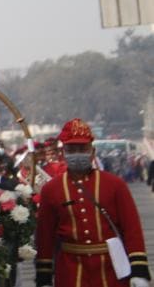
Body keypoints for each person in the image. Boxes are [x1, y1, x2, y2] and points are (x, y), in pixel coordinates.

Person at [35, 118, 150, 287]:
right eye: (72, 149)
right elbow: (45, 236)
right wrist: (43, 276)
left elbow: (132, 229)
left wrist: (139, 270)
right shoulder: (51, 189)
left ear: (92, 151)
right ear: (63, 152)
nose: (77, 154)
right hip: (70, 271)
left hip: (110, 270)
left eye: (82, 149)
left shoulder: (115, 185)